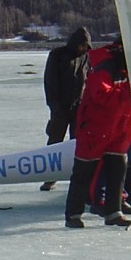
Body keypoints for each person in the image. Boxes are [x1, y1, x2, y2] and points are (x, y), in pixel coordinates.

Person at [63, 40, 131, 228]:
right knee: (84, 172)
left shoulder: (127, 68)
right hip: (95, 128)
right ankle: (73, 214)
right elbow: (101, 95)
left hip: (119, 127)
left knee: (117, 171)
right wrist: (127, 93)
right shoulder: (104, 66)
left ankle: (113, 212)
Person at [39, 27, 91, 190]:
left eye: (86, 46)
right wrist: (54, 106)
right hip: (60, 107)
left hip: (79, 107)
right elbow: (50, 81)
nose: (83, 48)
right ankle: (50, 177)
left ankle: (78, 178)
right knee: (54, 142)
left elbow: (88, 79)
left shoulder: (86, 57)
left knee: (78, 143)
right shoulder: (57, 55)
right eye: (82, 45)